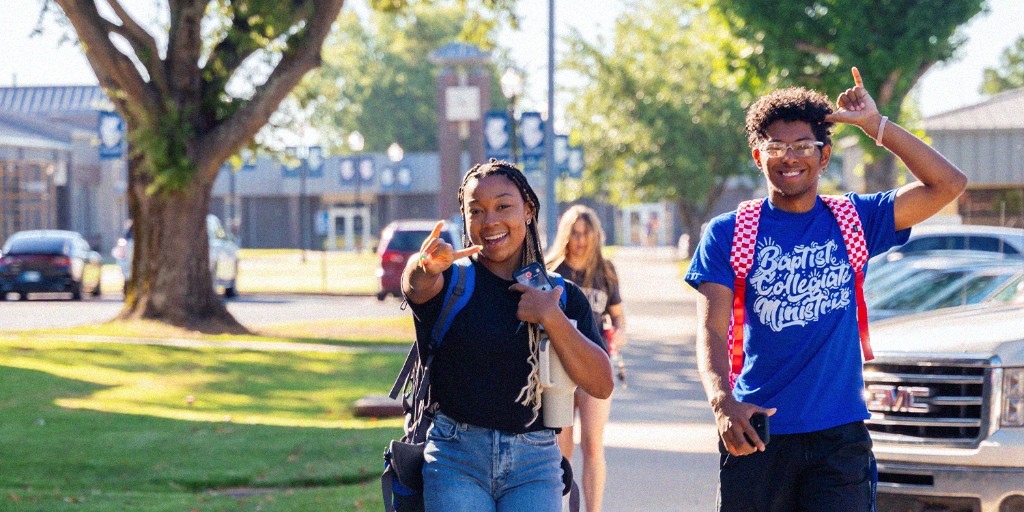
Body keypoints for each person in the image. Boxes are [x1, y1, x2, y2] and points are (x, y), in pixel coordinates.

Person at [685, 67, 967, 511]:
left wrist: (876, 125)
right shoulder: (729, 232)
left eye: (803, 146)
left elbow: (948, 184)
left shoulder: (856, 219)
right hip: (758, 432)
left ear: (824, 156)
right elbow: (712, 331)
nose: (790, 157)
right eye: (775, 147)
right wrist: (722, 402)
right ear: (758, 158)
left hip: (840, 437)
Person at [402, 159, 614, 512]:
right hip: (455, 458)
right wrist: (421, 266)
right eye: (477, 211)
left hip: (535, 464)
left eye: (503, 206)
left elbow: (601, 383)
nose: (490, 221)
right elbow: (416, 285)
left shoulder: (562, 294)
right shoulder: (450, 284)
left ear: (528, 210)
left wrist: (552, 317)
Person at [545, 204, 627, 512]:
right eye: (575, 233)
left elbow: (618, 318)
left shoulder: (605, 271)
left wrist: (618, 333)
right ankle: (559, 506)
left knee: (593, 444)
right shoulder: (552, 270)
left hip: (595, 365)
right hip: (558, 367)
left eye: (586, 234)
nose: (580, 240)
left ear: (595, 236)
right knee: (560, 448)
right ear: (566, 234)